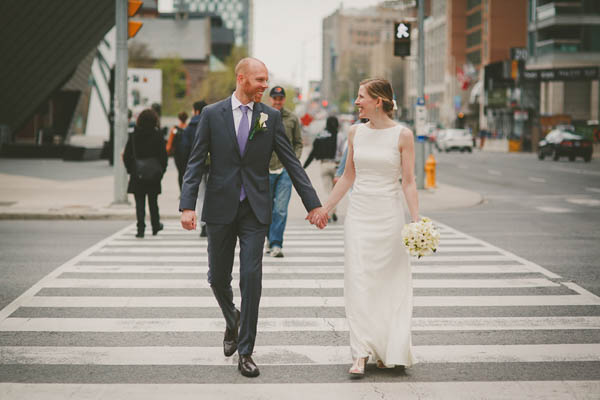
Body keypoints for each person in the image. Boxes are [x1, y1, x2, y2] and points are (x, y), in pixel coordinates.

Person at [180, 57, 326, 378]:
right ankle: (232, 320)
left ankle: (246, 351)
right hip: (220, 208)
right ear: (241, 78)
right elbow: (194, 162)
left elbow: (291, 162)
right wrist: (187, 205)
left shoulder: (269, 118)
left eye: (266, 80)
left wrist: (313, 204)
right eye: (259, 80)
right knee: (217, 278)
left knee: (251, 278)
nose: (264, 85)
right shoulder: (211, 115)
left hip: (255, 210)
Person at [309, 78, 419, 376]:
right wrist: (325, 208)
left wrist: (416, 220)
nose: (357, 102)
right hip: (359, 215)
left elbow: (408, 182)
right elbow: (347, 177)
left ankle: (386, 350)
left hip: (389, 216)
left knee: (389, 284)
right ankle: (360, 352)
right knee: (358, 281)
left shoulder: (403, 135)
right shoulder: (355, 132)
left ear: (378, 101)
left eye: (361, 97)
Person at [266, 86, 303, 257]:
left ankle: (276, 244)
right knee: (266, 208)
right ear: (270, 99)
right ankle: (268, 237)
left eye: (280, 98)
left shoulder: (292, 118)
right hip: (265, 170)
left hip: (285, 171)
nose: (277, 101)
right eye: (274, 98)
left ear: (284, 100)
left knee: (280, 209)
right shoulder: (262, 117)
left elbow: (298, 142)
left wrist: (293, 161)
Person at [123, 109, 168, 238]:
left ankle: (140, 228)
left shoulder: (133, 135)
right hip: (154, 174)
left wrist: (131, 170)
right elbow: (163, 156)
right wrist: (161, 171)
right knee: (153, 202)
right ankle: (155, 225)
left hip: (138, 174)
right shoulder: (158, 135)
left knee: (139, 202)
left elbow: (127, 155)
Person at [303, 116, 341, 222]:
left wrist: (303, 167)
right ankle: (333, 212)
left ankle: (328, 212)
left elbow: (313, 153)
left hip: (324, 165)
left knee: (328, 191)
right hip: (337, 166)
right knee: (336, 192)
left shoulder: (320, 135)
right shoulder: (338, 135)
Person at [183, 100, 209, 237]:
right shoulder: (213, 123)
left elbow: (184, 148)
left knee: (201, 196)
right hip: (211, 166)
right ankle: (210, 223)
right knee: (212, 195)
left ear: (196, 111)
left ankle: (203, 225)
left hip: (196, 168)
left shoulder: (190, 127)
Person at [166, 111, 189, 190]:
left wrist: (168, 152)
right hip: (188, 154)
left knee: (180, 173)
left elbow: (170, 143)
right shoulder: (189, 128)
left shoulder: (174, 129)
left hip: (178, 155)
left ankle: (181, 191)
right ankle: (187, 189)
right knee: (187, 173)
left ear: (179, 118)